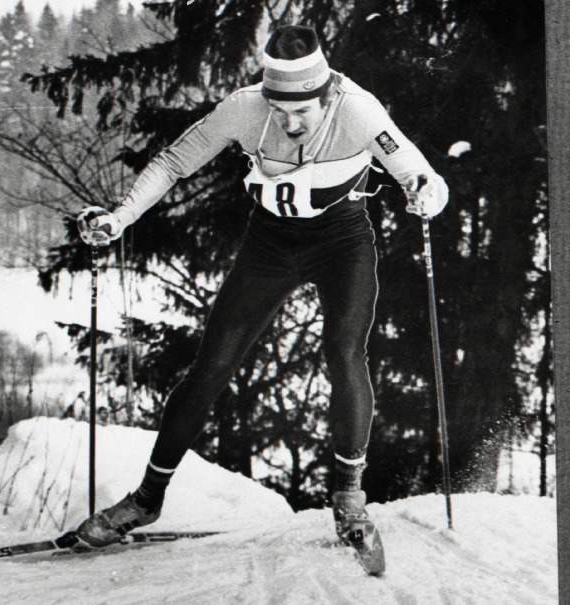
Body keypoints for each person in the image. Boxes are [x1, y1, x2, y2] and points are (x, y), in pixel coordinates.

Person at [75, 25, 448, 547]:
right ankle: (146, 500)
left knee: (344, 351)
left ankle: (348, 496)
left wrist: (425, 191)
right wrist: (119, 218)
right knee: (211, 367)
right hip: (269, 244)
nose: (290, 123)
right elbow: (172, 163)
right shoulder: (244, 107)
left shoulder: (359, 110)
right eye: (281, 111)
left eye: (303, 111)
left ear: (327, 95)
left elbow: (418, 171)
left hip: (342, 242)